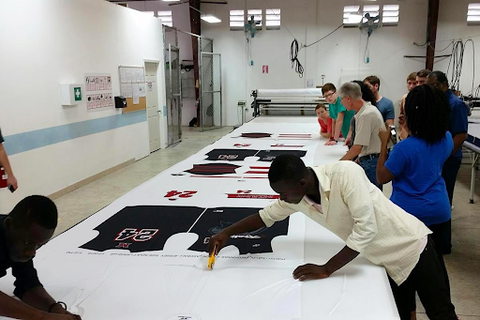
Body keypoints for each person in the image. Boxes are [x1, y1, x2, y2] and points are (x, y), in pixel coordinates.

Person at [209, 155, 457, 320]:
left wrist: (327, 268)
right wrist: (226, 233)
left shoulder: (345, 174)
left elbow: (366, 229)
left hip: (412, 248)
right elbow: (267, 216)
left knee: (441, 313)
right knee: (402, 313)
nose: (281, 198)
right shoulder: (299, 197)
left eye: (283, 193)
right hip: (385, 261)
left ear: (302, 182)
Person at [376, 85, 453, 319]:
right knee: (435, 269)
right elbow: (425, 159)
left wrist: (383, 143)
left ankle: (408, 313)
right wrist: (409, 131)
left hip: (408, 217)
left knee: (403, 272)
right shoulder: (446, 139)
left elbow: (382, 176)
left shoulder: (404, 148)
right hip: (439, 212)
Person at [0, 195, 82, 319]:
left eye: (39, 245)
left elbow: (27, 285)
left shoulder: (20, 242)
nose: (32, 252)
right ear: (9, 225)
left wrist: (55, 309)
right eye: (28, 243)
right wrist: (42, 317)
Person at [426, 71, 468, 254]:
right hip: (437, 158)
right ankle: (433, 241)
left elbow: (460, 135)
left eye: (434, 85)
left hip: (449, 159)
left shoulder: (456, 105)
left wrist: (443, 155)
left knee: (444, 198)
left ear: (444, 84)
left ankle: (444, 244)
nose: (432, 89)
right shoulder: (437, 101)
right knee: (434, 198)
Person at [339, 82, 385, 189]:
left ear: (348, 98)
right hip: (369, 160)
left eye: (341, 99)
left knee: (371, 199)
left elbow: (357, 148)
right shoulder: (365, 111)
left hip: (371, 163)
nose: (341, 103)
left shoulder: (366, 115)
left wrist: (337, 165)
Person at [398, 72, 418, 140]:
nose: (411, 86)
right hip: (405, 133)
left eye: (414, 83)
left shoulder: (421, 100)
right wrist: (401, 131)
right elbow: (401, 117)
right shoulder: (404, 98)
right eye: (409, 83)